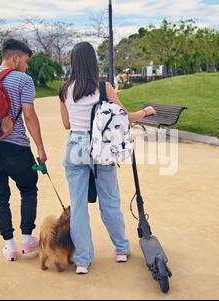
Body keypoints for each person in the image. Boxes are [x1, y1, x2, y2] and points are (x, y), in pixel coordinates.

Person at [58, 41, 156, 274]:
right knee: (109, 200)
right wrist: (146, 111)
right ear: (93, 61)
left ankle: (82, 260)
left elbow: (66, 124)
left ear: (73, 61)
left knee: (79, 206)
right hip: (100, 149)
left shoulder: (64, 90)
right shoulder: (103, 87)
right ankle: (121, 249)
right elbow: (127, 118)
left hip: (75, 146)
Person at [0, 39, 47, 261]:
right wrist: (41, 148)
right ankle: (26, 239)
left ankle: (9, 246)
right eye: (25, 61)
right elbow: (29, 115)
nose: (26, 66)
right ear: (16, 58)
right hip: (16, 148)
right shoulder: (23, 80)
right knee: (28, 189)